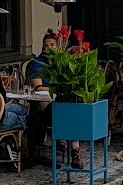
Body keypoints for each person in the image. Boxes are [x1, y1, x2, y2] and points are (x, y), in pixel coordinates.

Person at [24, 32, 81, 168]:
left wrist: (52, 90)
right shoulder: (38, 63)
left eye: (52, 45)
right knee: (67, 111)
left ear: (59, 46)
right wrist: (55, 89)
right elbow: (37, 87)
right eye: (46, 46)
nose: (49, 48)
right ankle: (70, 148)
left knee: (72, 110)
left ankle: (75, 152)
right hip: (43, 106)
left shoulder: (63, 63)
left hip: (59, 103)